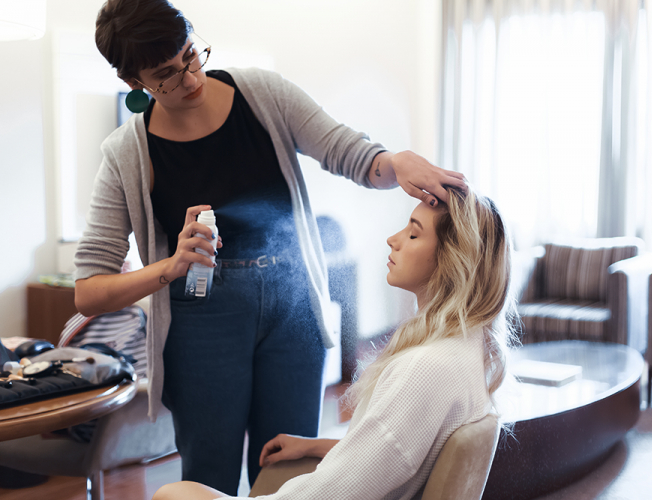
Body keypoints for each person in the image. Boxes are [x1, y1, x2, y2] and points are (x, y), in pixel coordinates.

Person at [73, 0, 467, 495]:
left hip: (292, 303)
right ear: (135, 83)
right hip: (201, 320)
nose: (191, 79)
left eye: (191, 55)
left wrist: (396, 162)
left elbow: (349, 152)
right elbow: (89, 292)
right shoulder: (126, 153)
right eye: (167, 76)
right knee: (207, 477)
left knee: (289, 465)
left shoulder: (262, 94)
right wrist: (171, 266)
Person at [152, 186, 516, 500]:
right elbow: (395, 452)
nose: (394, 239)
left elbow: (334, 494)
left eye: (414, 234)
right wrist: (317, 446)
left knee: (172, 493)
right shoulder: (468, 348)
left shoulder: (425, 369)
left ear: (453, 260)